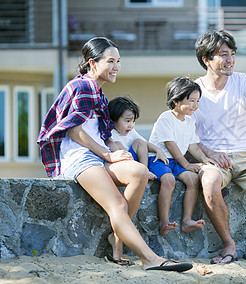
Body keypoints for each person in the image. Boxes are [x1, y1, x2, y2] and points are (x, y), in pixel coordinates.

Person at [37, 37, 192, 272]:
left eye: (118, 61)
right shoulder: (80, 87)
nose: (117, 66)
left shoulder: (98, 95)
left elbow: (103, 134)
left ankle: (116, 238)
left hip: (98, 154)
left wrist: (118, 152)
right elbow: (75, 132)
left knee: (139, 172)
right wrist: (108, 156)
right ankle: (149, 258)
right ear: (92, 63)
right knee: (118, 203)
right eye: (111, 61)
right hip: (79, 158)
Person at [192, 30, 246, 264]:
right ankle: (228, 245)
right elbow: (187, 133)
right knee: (209, 183)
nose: (230, 59)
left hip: (245, 155)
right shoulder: (193, 90)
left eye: (232, 53)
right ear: (206, 59)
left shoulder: (244, 81)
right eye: (223, 54)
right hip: (212, 158)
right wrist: (209, 154)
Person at [148, 77, 214, 235]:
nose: (195, 105)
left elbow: (193, 145)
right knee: (169, 180)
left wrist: (205, 159)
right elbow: (170, 144)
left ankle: (186, 220)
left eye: (197, 101)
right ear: (176, 100)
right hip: (159, 159)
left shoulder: (189, 122)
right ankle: (164, 221)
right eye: (191, 100)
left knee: (193, 180)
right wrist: (186, 164)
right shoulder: (166, 118)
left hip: (176, 161)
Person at [107, 96, 168, 181]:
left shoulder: (131, 131)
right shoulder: (109, 133)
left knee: (140, 142)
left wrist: (158, 150)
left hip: (134, 161)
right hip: (123, 164)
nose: (131, 125)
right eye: (127, 121)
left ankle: (145, 170)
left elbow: (145, 143)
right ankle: (138, 171)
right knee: (118, 145)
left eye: (133, 121)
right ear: (113, 119)